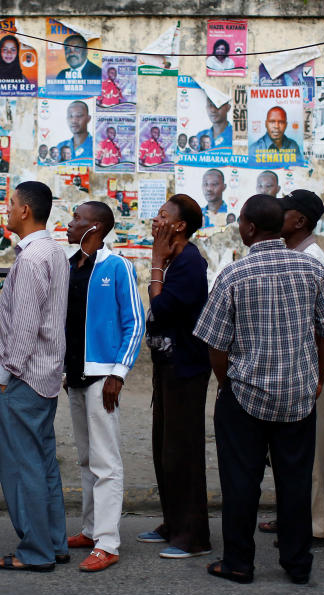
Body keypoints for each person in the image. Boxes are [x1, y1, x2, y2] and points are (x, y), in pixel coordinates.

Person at [194, 194, 324, 585]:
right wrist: (318, 376)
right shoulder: (311, 269)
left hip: (245, 394)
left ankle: (239, 562)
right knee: (294, 481)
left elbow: (215, 344)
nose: (239, 228)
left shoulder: (233, 274)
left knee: (241, 483)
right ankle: (297, 564)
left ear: (251, 228)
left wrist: (227, 384)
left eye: (241, 222)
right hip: (298, 394)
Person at [0, 181, 70, 572]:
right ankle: (54, 542)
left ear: (24, 211)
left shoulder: (33, 257)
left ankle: (36, 551)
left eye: (11, 204)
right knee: (41, 462)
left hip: (23, 377)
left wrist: (5, 376)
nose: (7, 210)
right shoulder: (53, 251)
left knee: (24, 466)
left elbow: (24, 328)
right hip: (45, 373)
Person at [63, 202, 145, 572]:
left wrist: (119, 373)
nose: (69, 222)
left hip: (103, 378)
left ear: (94, 226)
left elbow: (135, 322)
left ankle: (108, 542)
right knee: (85, 458)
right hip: (74, 376)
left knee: (106, 461)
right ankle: (91, 528)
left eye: (76, 218)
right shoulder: (70, 266)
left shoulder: (118, 267)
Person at [259, 190, 324, 548]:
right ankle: (294, 516)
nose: (278, 216)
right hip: (293, 371)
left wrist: (318, 376)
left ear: (300, 220)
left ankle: (314, 524)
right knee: (289, 453)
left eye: (284, 211)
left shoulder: (313, 258)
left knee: (311, 454)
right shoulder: (292, 253)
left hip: (310, 373)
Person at [138, 194, 212, 558]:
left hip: (187, 366)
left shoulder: (189, 263)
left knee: (183, 451)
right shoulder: (174, 259)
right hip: (167, 365)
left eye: (163, 216)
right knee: (164, 449)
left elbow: (163, 308)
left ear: (180, 226)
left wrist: (154, 263)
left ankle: (192, 536)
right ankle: (172, 523)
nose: (156, 220)